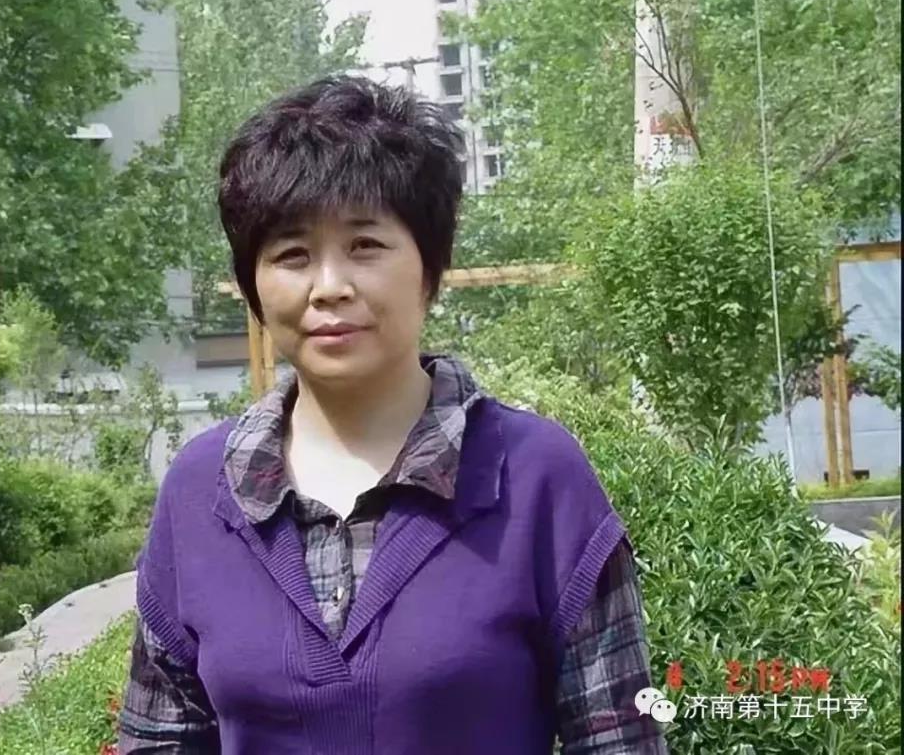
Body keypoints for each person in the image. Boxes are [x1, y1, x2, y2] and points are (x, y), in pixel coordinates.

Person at [119, 75, 667, 754]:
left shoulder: (536, 477)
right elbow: (159, 739)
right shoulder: (201, 491)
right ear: (253, 285)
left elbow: (619, 738)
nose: (329, 287)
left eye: (366, 246)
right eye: (292, 254)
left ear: (430, 268)